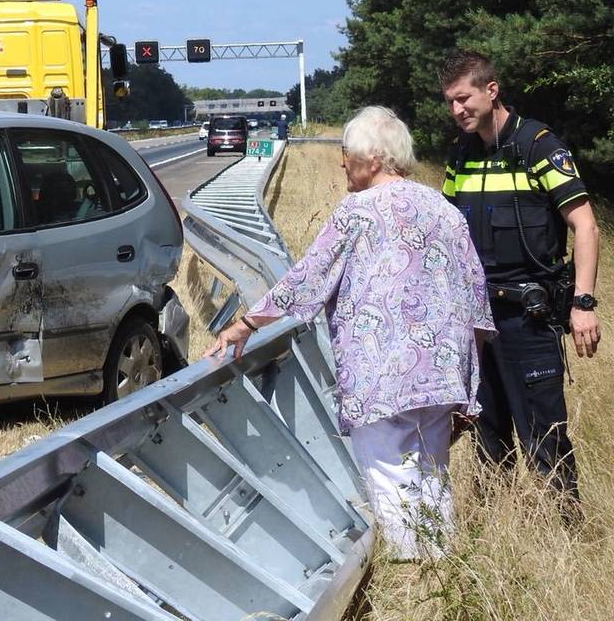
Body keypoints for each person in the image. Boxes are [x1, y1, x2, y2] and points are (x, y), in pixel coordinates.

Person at [206, 106, 494, 559]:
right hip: (441, 375)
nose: (342, 162)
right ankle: (443, 566)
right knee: (432, 474)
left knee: (388, 475)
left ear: (373, 158)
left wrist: (246, 323)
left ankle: (409, 575)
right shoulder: (443, 208)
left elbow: (310, 278)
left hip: (381, 375)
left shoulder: (357, 211)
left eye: (346, 153)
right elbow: (477, 297)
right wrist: (467, 379)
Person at [438, 50, 600, 517]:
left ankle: (567, 534)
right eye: (449, 102)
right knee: (487, 436)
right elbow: (446, 233)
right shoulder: (460, 155)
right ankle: (497, 538)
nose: (457, 110)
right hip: (477, 324)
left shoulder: (539, 146)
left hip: (529, 321)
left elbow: (586, 226)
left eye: (463, 98)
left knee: (544, 435)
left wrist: (583, 303)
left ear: (492, 91)